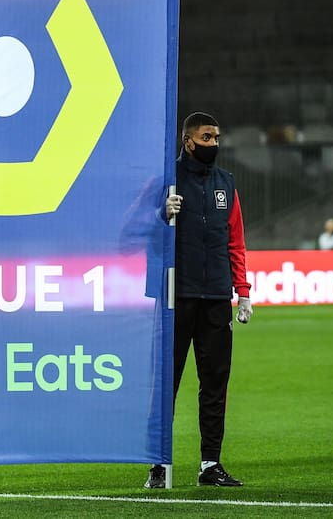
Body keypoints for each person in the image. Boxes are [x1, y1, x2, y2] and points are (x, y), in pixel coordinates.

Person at [146, 112, 252, 489]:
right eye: (207, 137)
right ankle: (157, 466)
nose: (215, 144)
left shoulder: (227, 184)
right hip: (176, 296)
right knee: (166, 385)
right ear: (188, 141)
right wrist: (161, 213)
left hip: (215, 298)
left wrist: (243, 293)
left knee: (215, 384)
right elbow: (137, 230)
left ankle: (210, 464)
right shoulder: (166, 180)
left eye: (217, 137)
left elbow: (235, 242)